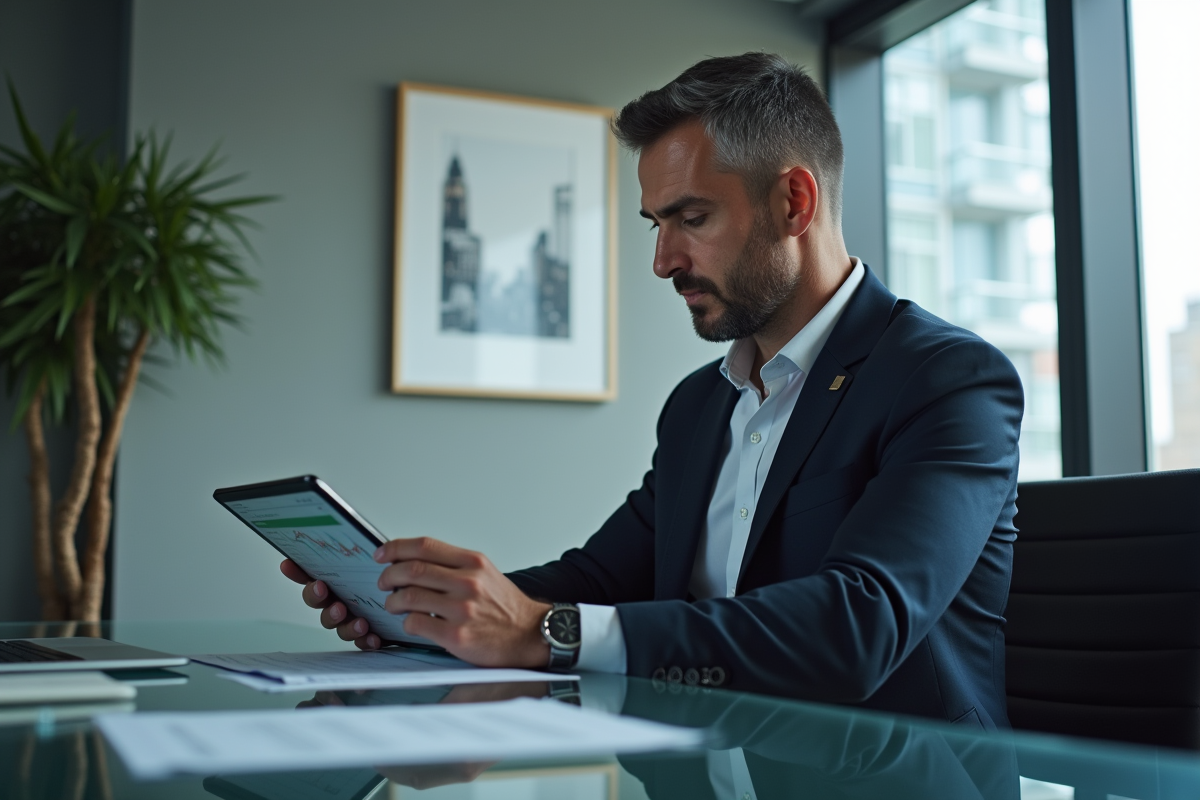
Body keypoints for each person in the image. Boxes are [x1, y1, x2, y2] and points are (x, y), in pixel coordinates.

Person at [281, 52, 1023, 729]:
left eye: (691, 218)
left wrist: (543, 631)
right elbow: (605, 578)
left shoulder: (947, 381)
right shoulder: (700, 404)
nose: (665, 261)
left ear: (793, 203)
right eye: (656, 226)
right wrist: (434, 609)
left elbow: (857, 627)